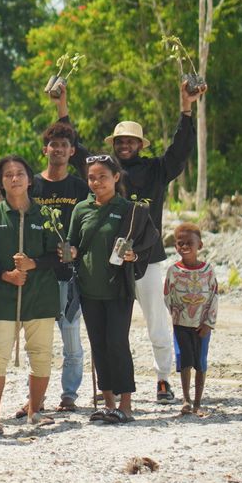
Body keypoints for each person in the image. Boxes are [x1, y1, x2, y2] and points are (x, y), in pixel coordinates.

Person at [101, 81, 205, 403]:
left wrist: (185, 110)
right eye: (120, 141)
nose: (125, 145)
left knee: (157, 321)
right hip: (112, 261)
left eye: (131, 140)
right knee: (113, 327)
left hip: (147, 258)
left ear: (140, 144)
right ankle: (116, 384)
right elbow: (74, 151)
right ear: (114, 144)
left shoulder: (157, 170)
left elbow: (180, 150)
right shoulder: (105, 174)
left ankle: (163, 379)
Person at [0, 155, 61, 435]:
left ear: (30, 179)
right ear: (0, 182)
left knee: (41, 355)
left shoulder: (46, 215)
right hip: (5, 299)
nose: (14, 179)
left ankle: (35, 412)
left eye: (19, 173)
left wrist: (35, 264)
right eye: (8, 175)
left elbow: (58, 256)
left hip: (41, 297)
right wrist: (5, 275)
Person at [68, 154, 157, 425]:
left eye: (103, 177)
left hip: (118, 290)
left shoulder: (130, 210)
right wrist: (69, 251)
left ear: (116, 177)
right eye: (92, 177)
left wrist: (135, 256)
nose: (97, 182)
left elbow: (149, 240)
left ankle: (126, 405)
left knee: (118, 344)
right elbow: (74, 243)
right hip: (89, 290)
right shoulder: (81, 209)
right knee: (99, 345)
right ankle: (108, 404)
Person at [32, 119, 90, 412]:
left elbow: (87, 224)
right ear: (45, 149)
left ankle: (69, 394)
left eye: (64, 145)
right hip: (38, 274)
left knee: (71, 338)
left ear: (72, 151)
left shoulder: (80, 187)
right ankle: (37, 396)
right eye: (53, 144)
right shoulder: (32, 183)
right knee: (38, 341)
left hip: (68, 274)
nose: (58, 149)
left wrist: (77, 249)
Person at [164, 223, 218, 417]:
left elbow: (214, 297)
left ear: (200, 245)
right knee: (184, 361)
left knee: (200, 363)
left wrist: (208, 323)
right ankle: (186, 399)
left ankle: (197, 403)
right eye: (180, 243)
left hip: (202, 327)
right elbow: (167, 296)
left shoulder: (208, 271)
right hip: (181, 325)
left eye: (189, 243)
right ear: (175, 246)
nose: (184, 246)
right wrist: (176, 315)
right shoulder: (173, 271)